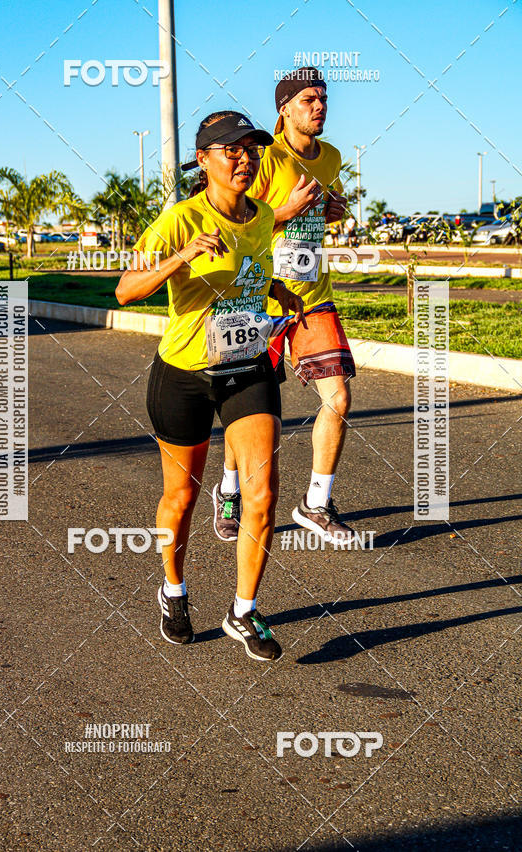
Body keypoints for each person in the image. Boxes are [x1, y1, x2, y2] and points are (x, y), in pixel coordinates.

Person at [115, 111, 304, 662]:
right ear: (204, 160)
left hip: (245, 368)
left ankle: (243, 612)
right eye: (231, 150)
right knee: (183, 496)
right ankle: (173, 591)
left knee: (262, 494)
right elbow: (127, 289)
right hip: (184, 376)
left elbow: (248, 271)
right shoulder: (180, 219)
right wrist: (183, 255)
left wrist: (277, 291)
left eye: (251, 149)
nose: (244, 158)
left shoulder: (263, 215)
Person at [212, 70, 358, 546]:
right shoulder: (265, 160)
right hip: (258, 298)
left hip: (313, 296)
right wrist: (287, 212)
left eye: (324, 99)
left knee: (338, 397)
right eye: (309, 99)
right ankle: (230, 491)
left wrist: (328, 210)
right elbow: (236, 220)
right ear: (285, 109)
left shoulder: (331, 157)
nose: (320, 106)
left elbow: (316, 213)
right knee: (248, 411)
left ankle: (315, 503)